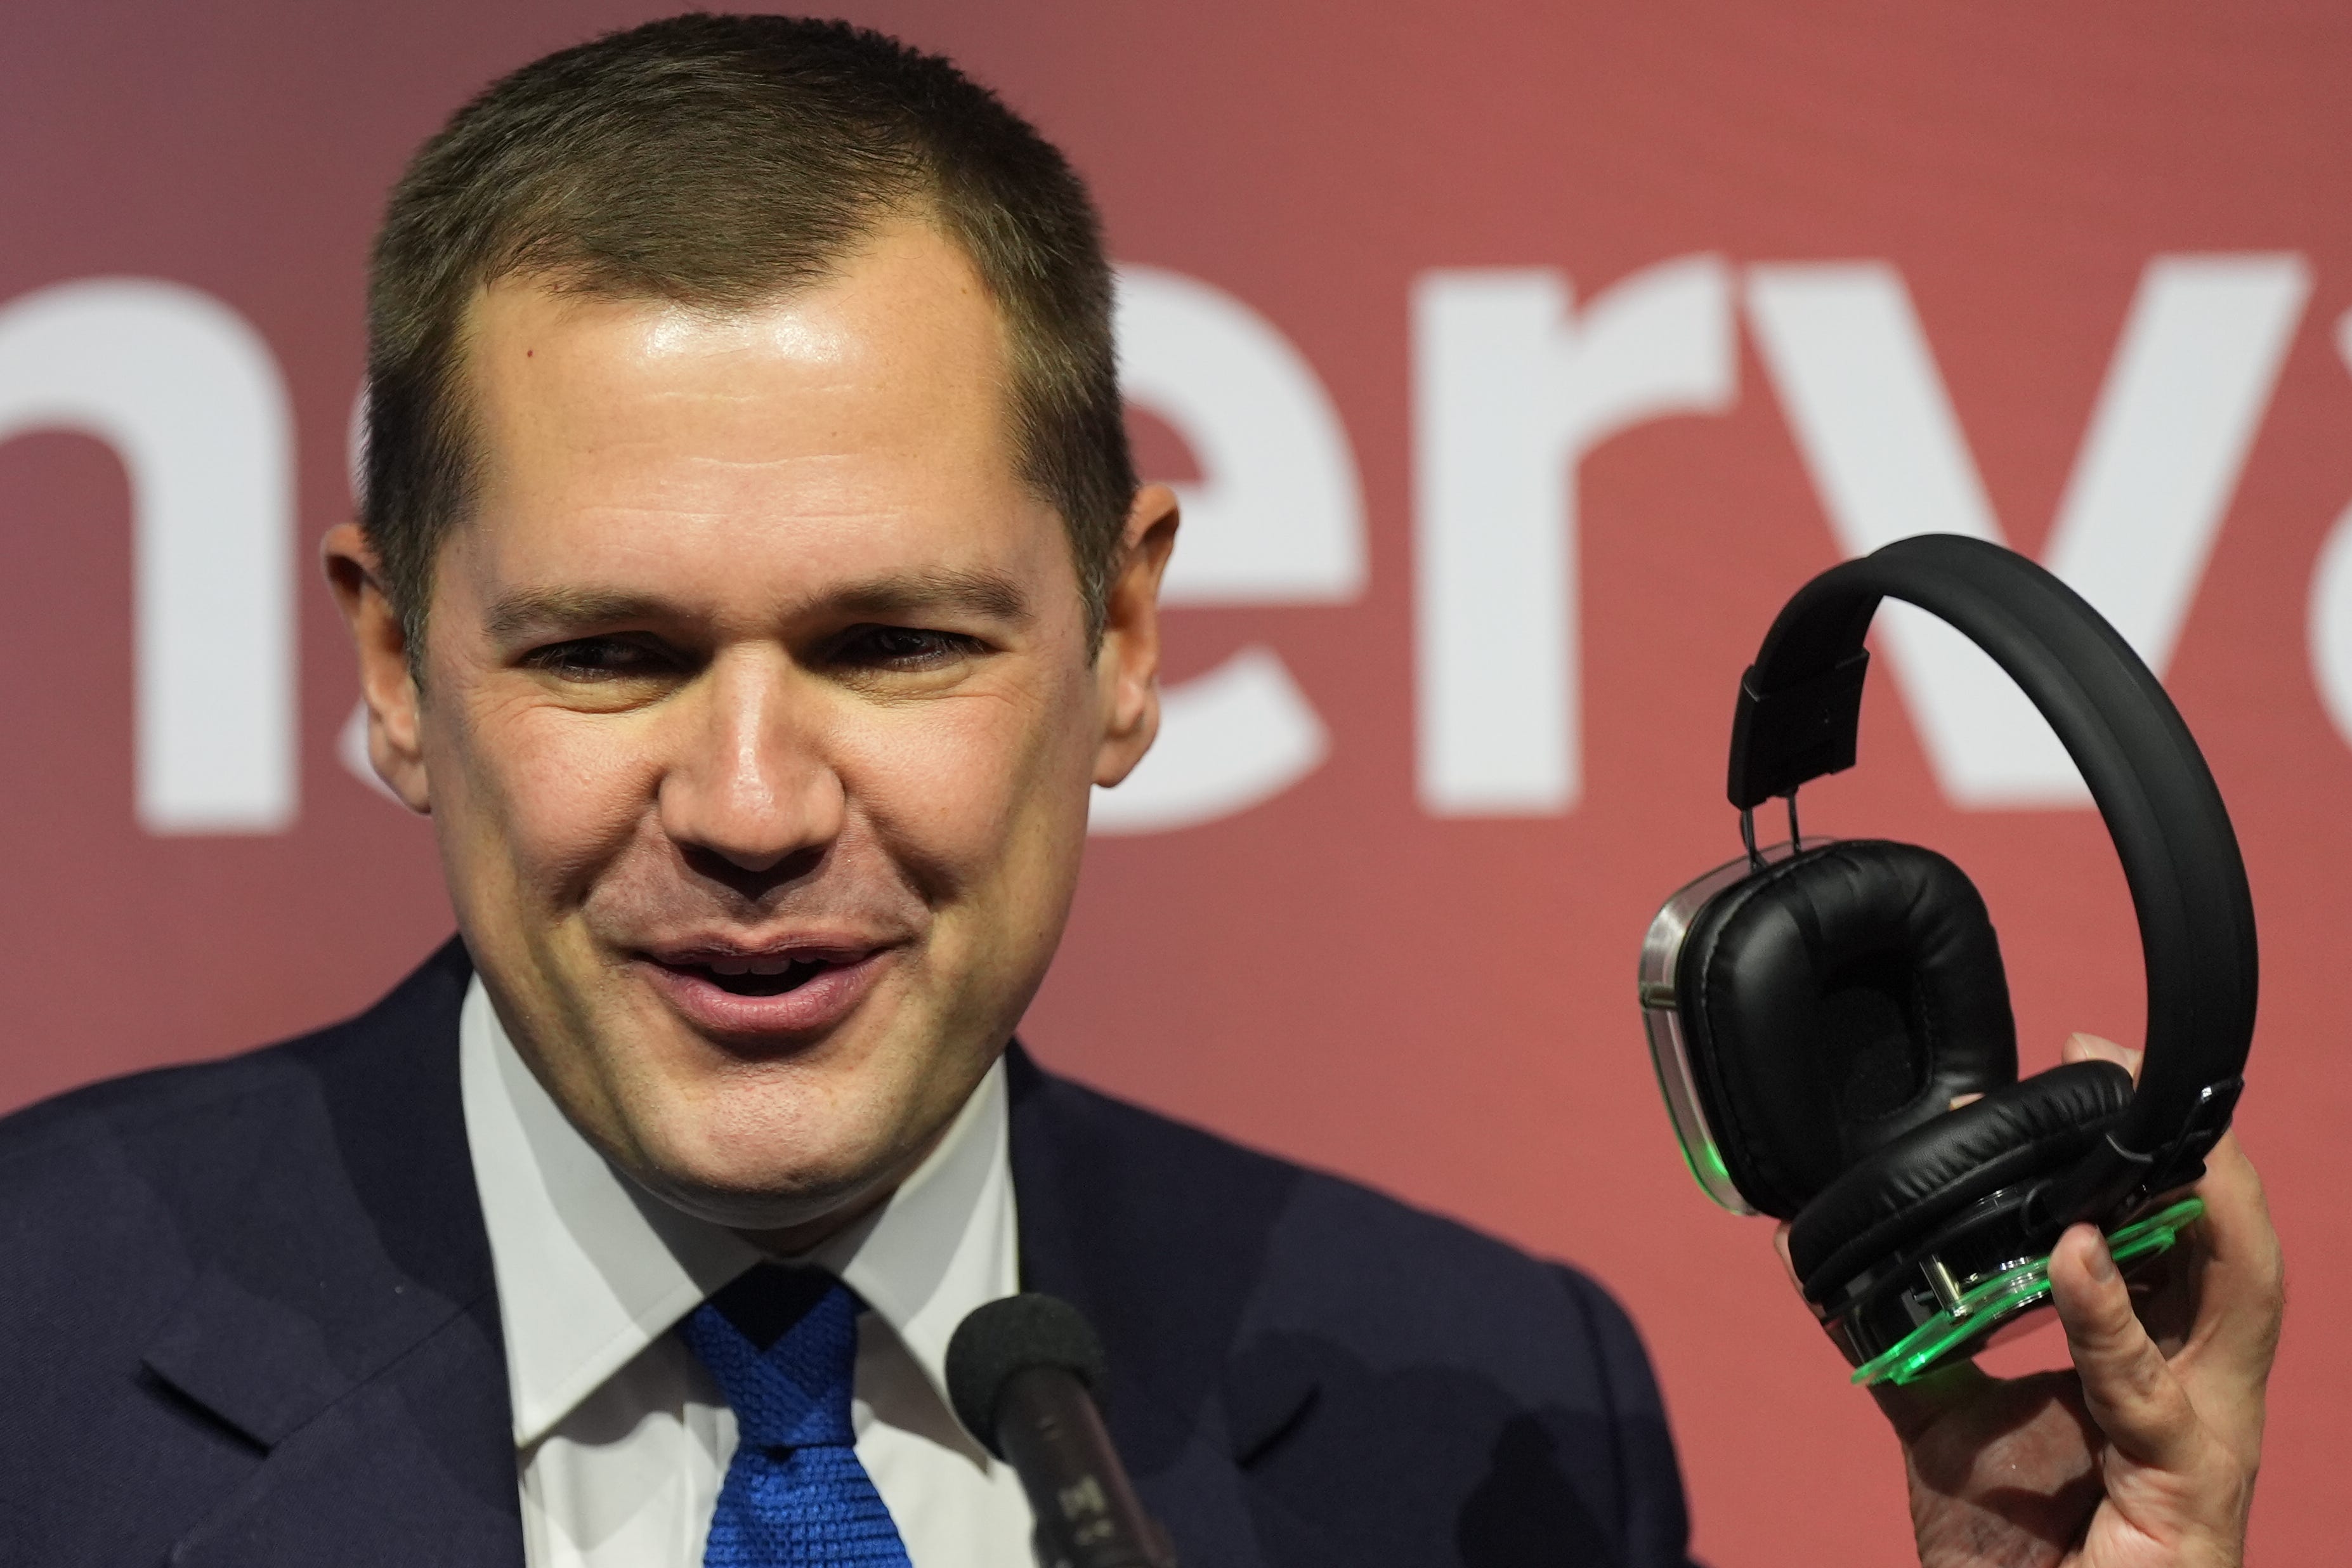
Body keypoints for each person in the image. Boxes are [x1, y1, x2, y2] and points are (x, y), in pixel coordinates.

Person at [0, 15, 2280, 1568]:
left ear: (1123, 640)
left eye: (895, 642)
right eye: (611, 653)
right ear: (395, 663)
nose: (758, 800)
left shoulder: (1485, 1423)